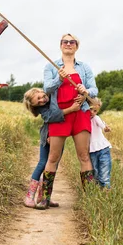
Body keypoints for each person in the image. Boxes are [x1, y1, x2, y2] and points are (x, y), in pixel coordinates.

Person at [37, 33, 98, 210]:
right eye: (65, 41)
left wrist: (85, 90)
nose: (69, 44)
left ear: (76, 46)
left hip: (80, 114)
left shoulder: (84, 67)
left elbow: (94, 89)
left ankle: (90, 199)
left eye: (72, 42)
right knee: (53, 157)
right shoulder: (51, 66)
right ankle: (45, 198)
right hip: (60, 115)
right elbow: (47, 88)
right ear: (61, 45)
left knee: (84, 155)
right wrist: (60, 79)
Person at [22, 87, 81, 208]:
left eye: (40, 97)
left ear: (39, 90)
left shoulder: (53, 94)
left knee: (54, 164)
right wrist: (70, 109)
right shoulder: (42, 107)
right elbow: (50, 117)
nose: (42, 100)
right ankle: (29, 196)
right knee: (43, 162)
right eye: (38, 102)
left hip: (59, 133)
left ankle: (43, 195)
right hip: (48, 134)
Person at [88, 98, 112, 189]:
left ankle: (106, 188)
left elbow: (103, 126)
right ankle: (98, 189)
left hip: (103, 148)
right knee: (95, 171)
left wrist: (106, 128)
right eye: (90, 109)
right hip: (92, 150)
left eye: (95, 111)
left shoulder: (96, 118)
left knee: (105, 169)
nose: (92, 112)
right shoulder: (84, 119)